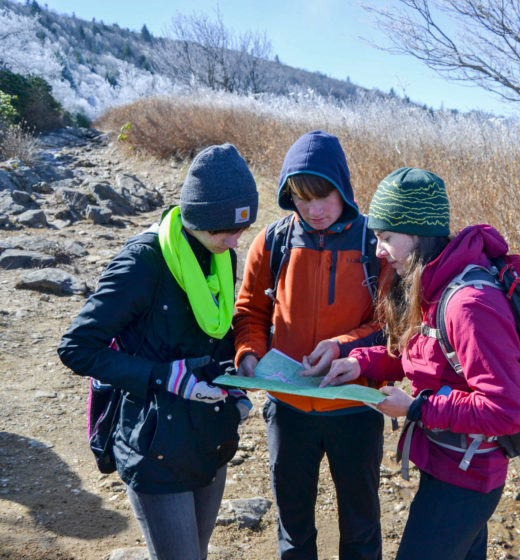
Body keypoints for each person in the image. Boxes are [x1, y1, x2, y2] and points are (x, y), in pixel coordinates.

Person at [58, 143, 258, 560]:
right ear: (198, 216)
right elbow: (76, 348)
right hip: (154, 445)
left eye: (243, 228)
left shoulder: (221, 255)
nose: (237, 238)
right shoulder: (141, 264)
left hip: (210, 436)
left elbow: (215, 331)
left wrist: (236, 379)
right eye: (227, 229)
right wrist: (163, 377)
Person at [317, 167, 520, 560]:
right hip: (448, 462)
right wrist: (360, 361)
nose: (379, 250)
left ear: (417, 234)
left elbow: (507, 410)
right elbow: (426, 356)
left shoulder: (469, 305)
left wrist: (416, 407)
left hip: (467, 480)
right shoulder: (434, 282)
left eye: (386, 238)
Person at [233, 130, 386, 560]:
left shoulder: (373, 244)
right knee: (293, 526)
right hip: (288, 409)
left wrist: (341, 346)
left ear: (344, 190)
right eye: (302, 198)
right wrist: (248, 354)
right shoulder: (274, 241)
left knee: (360, 525)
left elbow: (390, 327)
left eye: (324, 197)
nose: (314, 210)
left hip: (355, 408)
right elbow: (249, 314)